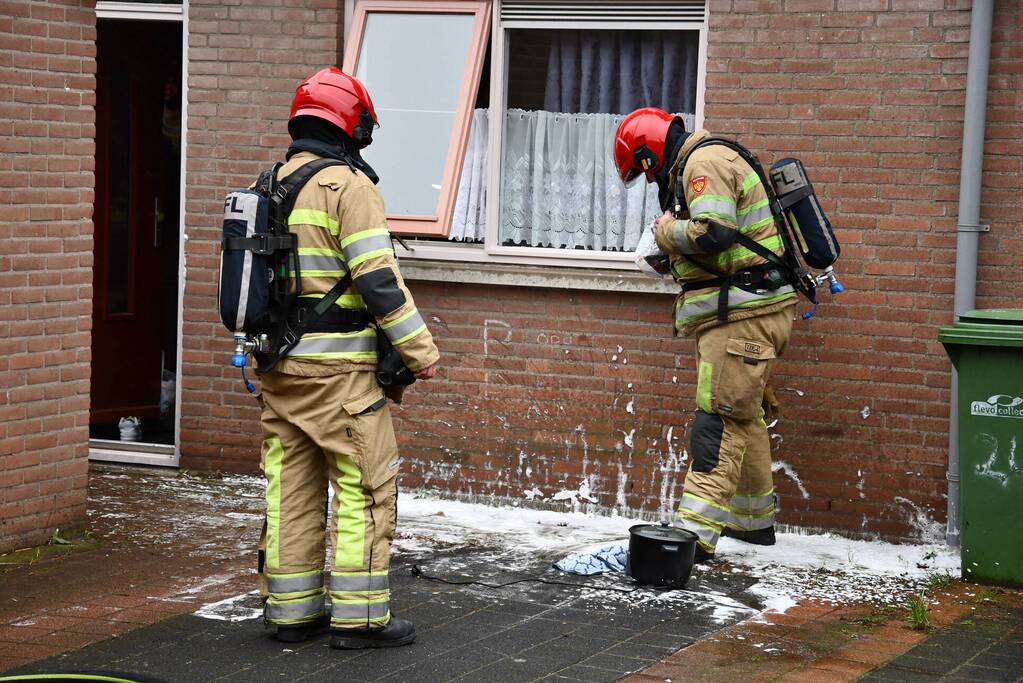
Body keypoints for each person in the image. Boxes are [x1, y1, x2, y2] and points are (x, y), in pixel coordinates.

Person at [257, 67, 440, 649]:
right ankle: (359, 619)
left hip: (281, 371)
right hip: (340, 377)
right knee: (364, 488)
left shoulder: (271, 184)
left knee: (291, 492)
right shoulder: (347, 187)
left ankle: (292, 612)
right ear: (349, 123)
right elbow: (378, 279)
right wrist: (420, 350)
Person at [613, 108, 796, 563]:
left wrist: (664, 232)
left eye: (644, 171)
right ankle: (752, 524)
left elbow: (714, 232)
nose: (651, 182)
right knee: (743, 414)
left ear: (649, 154)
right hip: (746, 313)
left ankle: (692, 537)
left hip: (742, 317)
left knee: (718, 419)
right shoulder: (710, 159)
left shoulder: (703, 163)